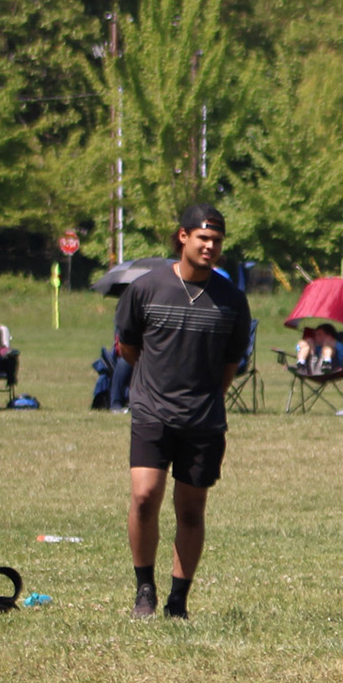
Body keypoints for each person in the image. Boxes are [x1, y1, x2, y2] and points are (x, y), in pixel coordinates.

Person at [115, 203, 252, 619]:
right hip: (152, 412)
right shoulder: (146, 289)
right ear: (183, 237)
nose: (210, 246)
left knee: (191, 510)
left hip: (203, 418)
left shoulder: (232, 300)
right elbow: (129, 347)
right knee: (144, 497)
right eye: (203, 238)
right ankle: (144, 590)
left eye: (217, 241)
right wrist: (153, 384)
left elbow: (230, 364)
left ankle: (178, 600)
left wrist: (204, 397)